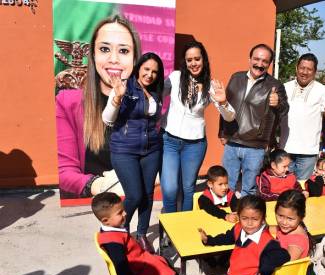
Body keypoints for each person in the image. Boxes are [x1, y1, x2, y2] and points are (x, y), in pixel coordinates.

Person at [56, 15, 140, 198]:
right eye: (104, 49)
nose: (114, 59)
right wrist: (102, 185)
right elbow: (64, 172)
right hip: (90, 206)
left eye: (124, 51)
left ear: (135, 59)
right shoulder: (67, 103)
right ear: (93, 56)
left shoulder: (145, 105)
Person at [160, 41, 236, 212]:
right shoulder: (175, 77)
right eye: (189, 60)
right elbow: (155, 94)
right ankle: (169, 229)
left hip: (194, 144)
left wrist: (223, 101)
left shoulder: (210, 86)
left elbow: (229, 116)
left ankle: (183, 230)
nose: (193, 63)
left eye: (197, 59)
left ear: (203, 60)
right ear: (185, 62)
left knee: (188, 189)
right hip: (169, 141)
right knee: (170, 189)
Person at [101, 52, 164, 253]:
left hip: (151, 149)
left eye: (154, 71)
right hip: (124, 150)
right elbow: (108, 119)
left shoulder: (155, 91)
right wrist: (117, 98)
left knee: (147, 194)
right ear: (138, 68)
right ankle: (120, 233)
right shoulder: (124, 87)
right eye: (146, 69)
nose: (150, 75)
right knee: (134, 195)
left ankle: (142, 234)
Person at [219, 44, 289, 197]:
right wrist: (222, 132)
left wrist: (278, 103)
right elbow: (225, 104)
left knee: (249, 190)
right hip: (232, 141)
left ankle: (247, 219)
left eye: (264, 61)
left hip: (255, 146)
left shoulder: (275, 85)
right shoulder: (236, 77)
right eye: (256, 59)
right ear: (249, 59)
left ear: (269, 64)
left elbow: (284, 110)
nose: (259, 64)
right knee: (225, 187)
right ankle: (225, 217)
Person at [91, 192, 181, 275]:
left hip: (141, 261)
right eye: (120, 213)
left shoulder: (110, 231)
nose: (125, 213)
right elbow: (122, 269)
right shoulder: (113, 242)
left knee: (165, 262)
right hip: (138, 271)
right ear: (106, 220)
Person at [198, 195, 290, 275]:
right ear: (239, 216)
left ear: (263, 218)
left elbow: (284, 255)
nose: (249, 223)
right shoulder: (239, 228)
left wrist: (265, 268)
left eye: (255, 219)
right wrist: (209, 240)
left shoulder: (267, 242)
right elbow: (227, 237)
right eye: (244, 218)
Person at [280, 53, 325, 181]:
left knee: (302, 188)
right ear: (296, 68)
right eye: (302, 68)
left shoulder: (323, 91)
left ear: (315, 72)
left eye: (309, 69)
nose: (305, 72)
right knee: (283, 188)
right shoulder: (284, 88)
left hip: (308, 152)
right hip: (285, 149)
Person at [269, 190, 314, 260]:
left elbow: (283, 264)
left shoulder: (296, 243)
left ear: (301, 217)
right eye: (280, 216)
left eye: (290, 219)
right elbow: (270, 229)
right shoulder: (287, 228)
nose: (284, 222)